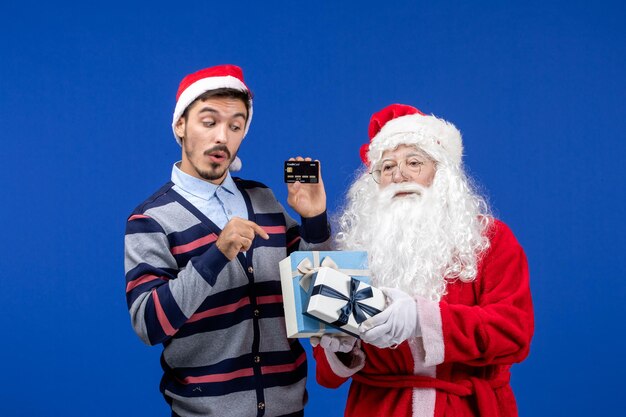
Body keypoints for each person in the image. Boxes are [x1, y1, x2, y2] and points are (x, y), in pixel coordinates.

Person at [124, 64, 331, 417]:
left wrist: (313, 220)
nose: (223, 137)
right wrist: (216, 254)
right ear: (180, 126)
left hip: (289, 409)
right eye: (209, 122)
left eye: (235, 126)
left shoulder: (265, 200)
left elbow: (319, 304)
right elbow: (149, 324)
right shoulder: (150, 220)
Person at [312, 104, 534, 416]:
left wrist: (422, 319)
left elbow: (513, 333)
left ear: (442, 174)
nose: (399, 174)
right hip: (378, 408)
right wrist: (342, 349)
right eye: (387, 167)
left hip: (466, 408)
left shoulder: (490, 239)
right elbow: (327, 375)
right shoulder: (356, 247)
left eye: (413, 162)